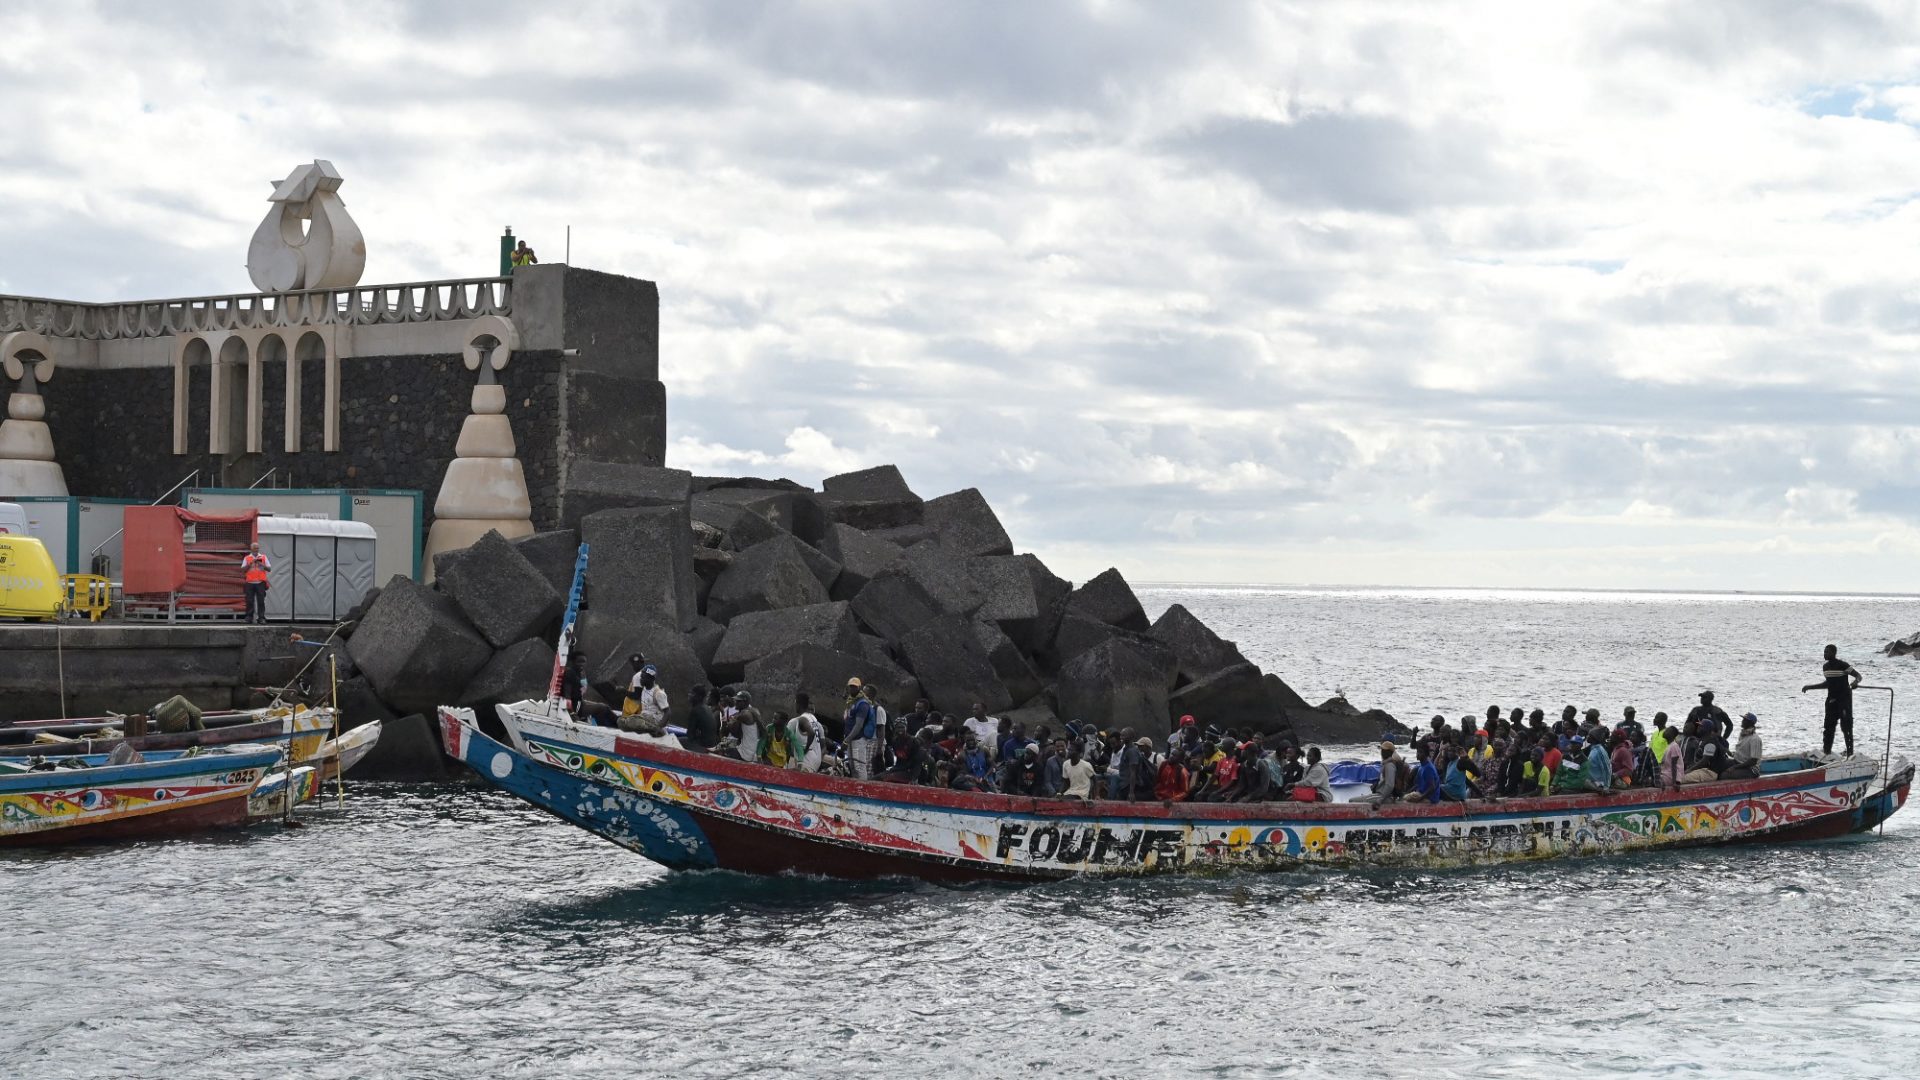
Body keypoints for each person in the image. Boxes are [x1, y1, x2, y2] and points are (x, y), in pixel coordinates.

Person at [1803, 644, 1863, 757]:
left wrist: (1856, 682)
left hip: (1844, 700)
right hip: (1831, 701)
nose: (1824, 654)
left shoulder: (1842, 665)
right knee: (1828, 728)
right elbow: (1828, 684)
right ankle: (1826, 752)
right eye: (1824, 652)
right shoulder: (1825, 667)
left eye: (1827, 652)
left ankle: (1850, 754)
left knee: (1846, 727)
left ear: (1833, 653)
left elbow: (1858, 676)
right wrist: (1810, 687)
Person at [842, 678, 877, 779]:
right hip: (850, 739)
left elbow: (858, 725)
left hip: (858, 739)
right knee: (852, 766)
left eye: (854, 687)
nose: (852, 689)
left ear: (859, 688)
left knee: (859, 767)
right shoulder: (851, 702)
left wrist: (846, 740)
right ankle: (854, 788)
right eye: (851, 686)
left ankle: (862, 788)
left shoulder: (862, 704)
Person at [620, 664, 668, 732]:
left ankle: (653, 731)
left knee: (634, 721)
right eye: (641, 677)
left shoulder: (658, 693)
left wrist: (659, 727)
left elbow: (667, 712)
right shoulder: (644, 691)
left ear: (650, 679)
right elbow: (635, 698)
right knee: (621, 721)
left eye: (643, 677)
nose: (640, 679)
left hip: (653, 721)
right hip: (643, 718)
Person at [787, 693, 826, 772]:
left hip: (806, 760)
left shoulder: (798, 720)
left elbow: (811, 733)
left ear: (797, 704)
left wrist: (805, 749)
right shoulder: (814, 719)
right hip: (815, 761)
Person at [1723, 713, 1763, 780]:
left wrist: (1735, 767)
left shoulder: (1755, 739)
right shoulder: (1743, 736)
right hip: (1739, 763)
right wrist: (1727, 751)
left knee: (1724, 775)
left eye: (1745, 720)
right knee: (1719, 764)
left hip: (1751, 769)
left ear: (1750, 723)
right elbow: (1741, 755)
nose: (1742, 721)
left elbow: (1753, 761)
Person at [240, 542, 271, 624]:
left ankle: (261, 618)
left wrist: (262, 564)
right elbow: (243, 570)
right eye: (254, 548)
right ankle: (249, 617)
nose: (256, 550)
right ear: (251, 549)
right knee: (249, 601)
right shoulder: (247, 558)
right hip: (250, 582)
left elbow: (269, 569)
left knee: (261, 601)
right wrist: (250, 564)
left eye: (257, 548)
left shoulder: (263, 557)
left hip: (260, 582)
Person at [683, 684, 717, 749]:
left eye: (692, 693)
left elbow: (690, 735)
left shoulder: (695, 710)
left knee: (675, 741)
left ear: (700, 697)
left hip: (702, 745)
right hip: (711, 744)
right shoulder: (706, 707)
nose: (689, 695)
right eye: (690, 692)